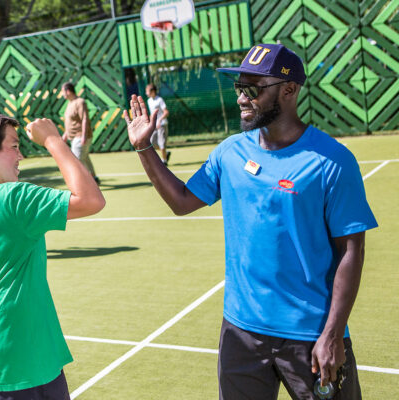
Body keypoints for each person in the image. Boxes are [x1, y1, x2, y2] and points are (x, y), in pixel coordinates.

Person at [123, 43, 377, 399]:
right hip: (240, 332)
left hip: (311, 334)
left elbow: (352, 250)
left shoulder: (332, 161)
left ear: (288, 90)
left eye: (252, 89)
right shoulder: (230, 152)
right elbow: (181, 202)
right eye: (239, 88)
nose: (242, 98)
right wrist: (144, 148)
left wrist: (333, 333)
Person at [0, 114, 105, 399]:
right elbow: (92, 199)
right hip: (24, 358)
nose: (20, 155)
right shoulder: (13, 197)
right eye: (13, 146)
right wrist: (52, 140)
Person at [60, 82, 100, 184]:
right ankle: (94, 178)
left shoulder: (80, 102)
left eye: (62, 91)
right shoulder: (70, 103)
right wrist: (65, 135)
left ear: (68, 91)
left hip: (80, 137)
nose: (62, 94)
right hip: (74, 137)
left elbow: (85, 119)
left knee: (76, 162)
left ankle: (85, 183)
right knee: (85, 158)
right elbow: (71, 122)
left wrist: (84, 136)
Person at [145, 83, 171, 165]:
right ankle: (165, 153)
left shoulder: (160, 100)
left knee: (161, 143)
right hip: (154, 126)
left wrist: (159, 120)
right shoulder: (149, 101)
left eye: (147, 91)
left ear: (152, 91)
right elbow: (152, 114)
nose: (146, 93)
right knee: (151, 143)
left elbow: (166, 112)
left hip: (162, 125)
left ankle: (164, 161)